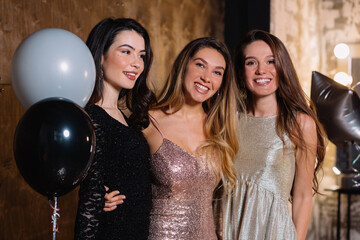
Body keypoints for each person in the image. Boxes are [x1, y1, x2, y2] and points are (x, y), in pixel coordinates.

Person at [104, 37, 241, 239]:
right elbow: (120, 177)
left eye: (217, 72)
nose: (206, 77)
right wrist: (103, 194)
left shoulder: (220, 130)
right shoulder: (148, 122)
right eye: (200, 65)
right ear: (184, 66)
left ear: (221, 82)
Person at [219, 30, 326, 240]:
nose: (261, 70)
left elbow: (303, 196)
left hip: (273, 232)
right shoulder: (228, 120)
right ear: (241, 72)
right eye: (251, 63)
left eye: (271, 61)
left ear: (282, 67)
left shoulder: (300, 124)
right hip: (226, 228)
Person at [74, 18, 155, 240]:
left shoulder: (122, 117)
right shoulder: (93, 118)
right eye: (126, 52)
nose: (137, 63)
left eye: (141, 55)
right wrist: (100, 200)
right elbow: (90, 200)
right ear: (100, 56)